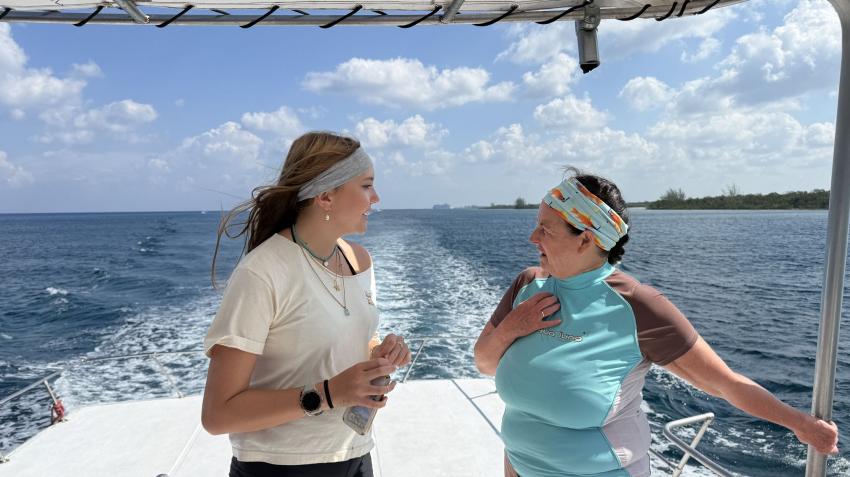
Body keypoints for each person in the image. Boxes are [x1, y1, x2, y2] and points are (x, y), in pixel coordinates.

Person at [473, 170, 839, 477]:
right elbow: (485, 363)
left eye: (545, 230)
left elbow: (723, 383)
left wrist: (801, 425)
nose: (532, 237)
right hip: (519, 464)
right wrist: (512, 327)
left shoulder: (637, 307)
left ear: (585, 239)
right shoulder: (527, 285)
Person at [202, 131, 411, 477]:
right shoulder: (262, 272)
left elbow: (339, 340)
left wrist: (378, 353)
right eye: (366, 185)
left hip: (355, 454)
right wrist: (328, 394)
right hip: (280, 466)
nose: (375, 198)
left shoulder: (358, 260)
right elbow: (218, 414)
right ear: (326, 196)